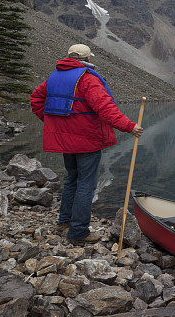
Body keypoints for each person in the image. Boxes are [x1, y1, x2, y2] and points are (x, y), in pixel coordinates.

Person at [29, 44, 143, 244]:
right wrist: (129, 127)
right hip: (86, 141)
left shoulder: (54, 77)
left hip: (65, 141)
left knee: (71, 179)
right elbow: (106, 108)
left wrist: (53, 124)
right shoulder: (87, 78)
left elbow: (36, 100)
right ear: (87, 59)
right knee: (86, 185)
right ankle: (79, 231)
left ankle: (64, 222)